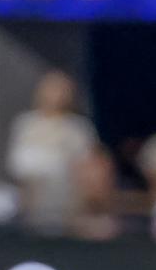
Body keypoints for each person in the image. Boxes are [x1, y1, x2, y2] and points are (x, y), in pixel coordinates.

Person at [7, 69, 99, 235]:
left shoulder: (79, 128)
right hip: (32, 210)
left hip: (67, 209)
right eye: (51, 89)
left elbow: (88, 171)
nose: (56, 95)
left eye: (61, 90)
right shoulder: (25, 124)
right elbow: (18, 165)